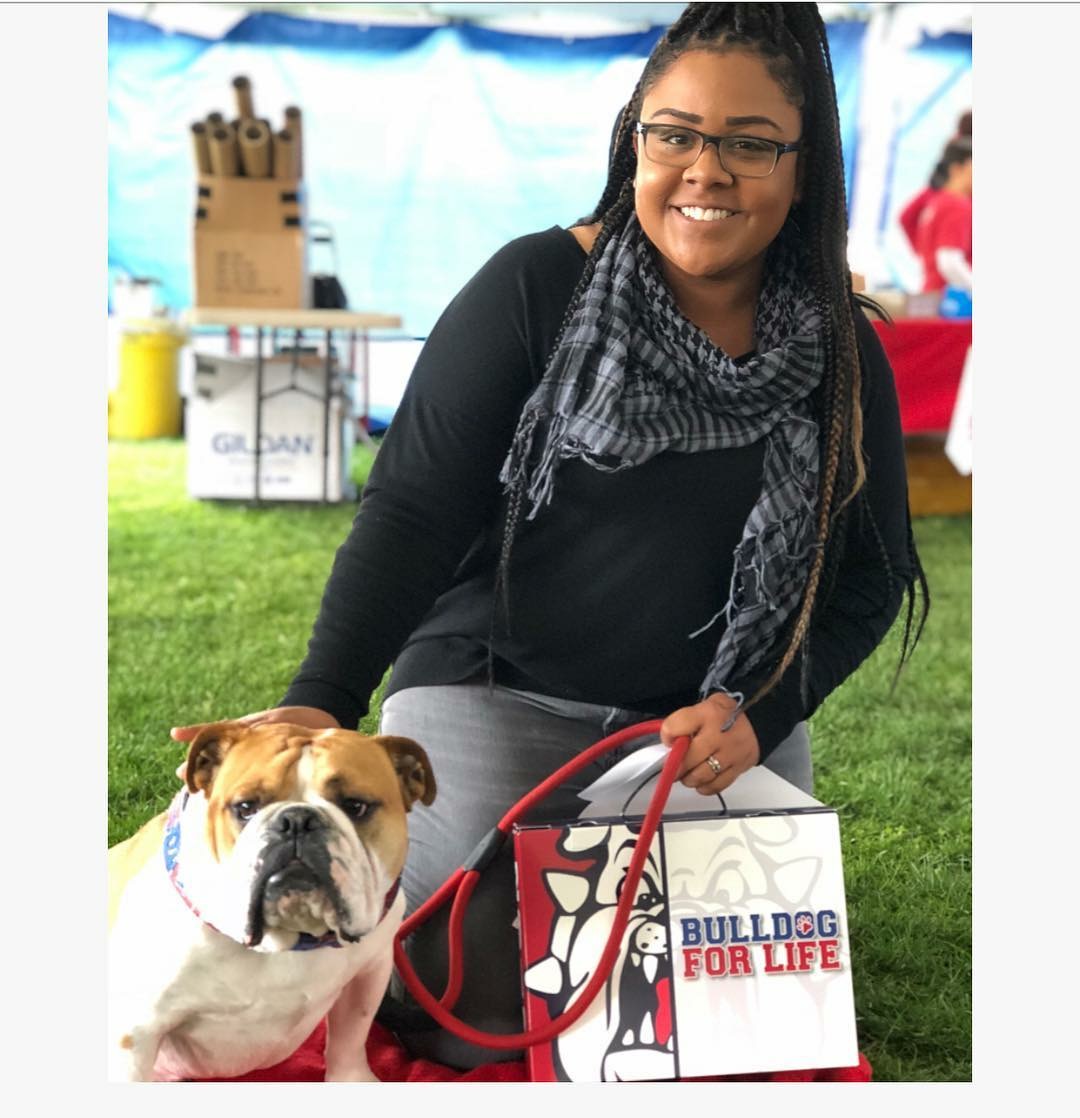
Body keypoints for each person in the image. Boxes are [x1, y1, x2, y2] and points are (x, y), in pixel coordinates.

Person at [173, 1, 928, 1071]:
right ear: (633, 145)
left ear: (805, 171)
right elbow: (413, 511)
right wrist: (324, 696)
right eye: (674, 135)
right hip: (499, 691)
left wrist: (762, 713)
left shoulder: (842, 349)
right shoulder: (535, 286)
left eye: (751, 144)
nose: (705, 170)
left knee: (730, 1026)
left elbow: (872, 577)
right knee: (459, 1009)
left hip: (710, 732)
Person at [899, 135, 973, 293]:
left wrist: (926, 255)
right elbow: (949, 261)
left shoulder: (937, 200)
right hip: (950, 300)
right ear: (956, 169)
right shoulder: (958, 205)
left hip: (930, 292)